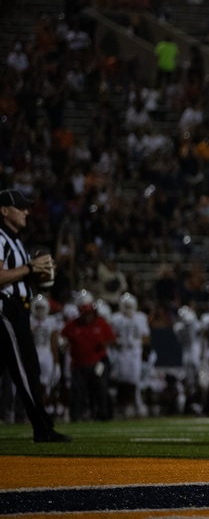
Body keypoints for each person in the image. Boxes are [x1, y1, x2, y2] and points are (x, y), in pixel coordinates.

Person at [0, 189, 71, 443]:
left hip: (19, 308)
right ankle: (42, 427)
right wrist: (30, 267)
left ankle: (42, 427)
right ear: (4, 210)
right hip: (6, 309)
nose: (26, 212)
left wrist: (38, 275)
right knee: (27, 369)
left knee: (23, 367)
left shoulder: (16, 241)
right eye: (20, 207)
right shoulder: (0, 238)